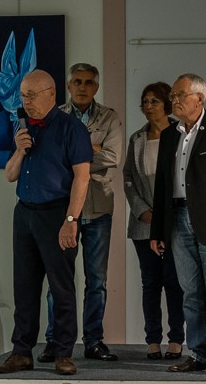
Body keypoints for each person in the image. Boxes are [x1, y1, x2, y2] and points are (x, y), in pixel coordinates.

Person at [0, 69, 92, 376]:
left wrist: (71, 220)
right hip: (24, 213)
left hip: (56, 213)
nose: (26, 101)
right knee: (24, 287)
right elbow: (10, 175)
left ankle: (63, 353)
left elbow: (82, 177)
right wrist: (19, 150)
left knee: (61, 288)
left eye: (31, 95)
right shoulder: (23, 128)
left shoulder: (71, 128)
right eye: (23, 96)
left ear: (51, 94)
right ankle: (21, 352)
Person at [149, 73, 206, 378]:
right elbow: (162, 186)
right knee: (190, 293)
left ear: (199, 98)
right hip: (176, 220)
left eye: (179, 95)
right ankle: (199, 353)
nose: (174, 101)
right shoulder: (169, 134)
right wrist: (157, 231)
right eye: (173, 96)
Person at [38, 63, 123, 363]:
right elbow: (49, 156)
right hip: (64, 210)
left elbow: (112, 156)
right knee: (58, 281)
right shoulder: (55, 116)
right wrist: (90, 150)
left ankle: (93, 341)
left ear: (96, 87)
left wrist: (73, 156)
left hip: (99, 209)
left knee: (96, 281)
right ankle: (55, 341)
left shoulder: (109, 117)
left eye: (88, 82)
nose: (82, 87)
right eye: (77, 81)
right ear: (69, 86)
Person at [123, 81, 185, 360]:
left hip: (173, 222)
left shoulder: (180, 134)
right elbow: (128, 178)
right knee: (150, 283)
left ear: (167, 104)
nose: (148, 106)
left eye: (154, 101)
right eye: (145, 101)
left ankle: (176, 339)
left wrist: (165, 215)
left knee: (174, 281)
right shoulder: (137, 138)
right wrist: (142, 210)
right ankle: (152, 340)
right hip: (144, 223)